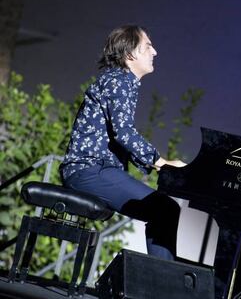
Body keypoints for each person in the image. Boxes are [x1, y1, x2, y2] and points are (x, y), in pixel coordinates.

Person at [59, 24, 186, 261]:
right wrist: (162, 163)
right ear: (130, 54)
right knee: (165, 210)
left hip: (94, 169)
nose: (155, 51)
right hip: (89, 170)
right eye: (148, 46)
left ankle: (163, 283)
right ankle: (163, 286)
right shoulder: (120, 81)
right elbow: (124, 133)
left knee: (165, 210)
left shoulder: (119, 80)